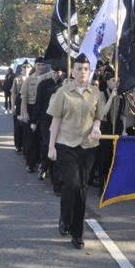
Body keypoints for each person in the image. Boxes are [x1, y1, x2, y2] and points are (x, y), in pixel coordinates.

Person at [46, 54, 104, 249]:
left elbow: (98, 116)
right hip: (66, 145)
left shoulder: (96, 93)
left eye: (86, 69)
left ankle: (77, 234)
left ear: (90, 71)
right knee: (70, 184)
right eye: (79, 69)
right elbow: (55, 121)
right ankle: (65, 218)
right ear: (72, 71)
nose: (82, 72)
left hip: (88, 147)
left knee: (82, 189)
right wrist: (51, 146)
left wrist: (97, 127)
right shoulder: (63, 92)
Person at [33, 61, 64, 190]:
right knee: (47, 145)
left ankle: (56, 180)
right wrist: (34, 121)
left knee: (58, 147)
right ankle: (44, 166)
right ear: (51, 71)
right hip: (46, 120)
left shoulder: (65, 86)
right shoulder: (43, 84)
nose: (57, 74)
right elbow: (38, 103)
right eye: (55, 72)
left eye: (59, 72)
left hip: (61, 121)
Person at [96, 68, 123, 196]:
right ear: (107, 81)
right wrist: (111, 97)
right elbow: (102, 113)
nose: (116, 83)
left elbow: (123, 115)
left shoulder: (121, 96)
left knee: (115, 160)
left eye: (118, 80)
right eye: (113, 80)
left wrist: (123, 131)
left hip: (116, 129)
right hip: (105, 129)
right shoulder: (101, 94)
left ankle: (112, 186)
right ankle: (103, 187)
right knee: (104, 160)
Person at [20, 57, 47, 173]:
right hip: (31, 108)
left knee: (42, 138)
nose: (41, 67)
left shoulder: (48, 78)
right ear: (35, 66)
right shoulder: (29, 80)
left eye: (43, 65)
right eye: (39, 65)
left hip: (43, 110)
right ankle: (30, 163)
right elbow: (24, 98)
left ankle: (41, 163)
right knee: (31, 138)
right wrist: (24, 113)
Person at [11, 60, 31, 152]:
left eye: (28, 67)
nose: (26, 69)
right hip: (19, 101)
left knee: (27, 125)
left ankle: (26, 145)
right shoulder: (17, 79)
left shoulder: (33, 79)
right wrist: (13, 106)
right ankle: (18, 144)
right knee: (18, 124)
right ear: (21, 69)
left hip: (29, 101)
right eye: (24, 67)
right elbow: (13, 94)